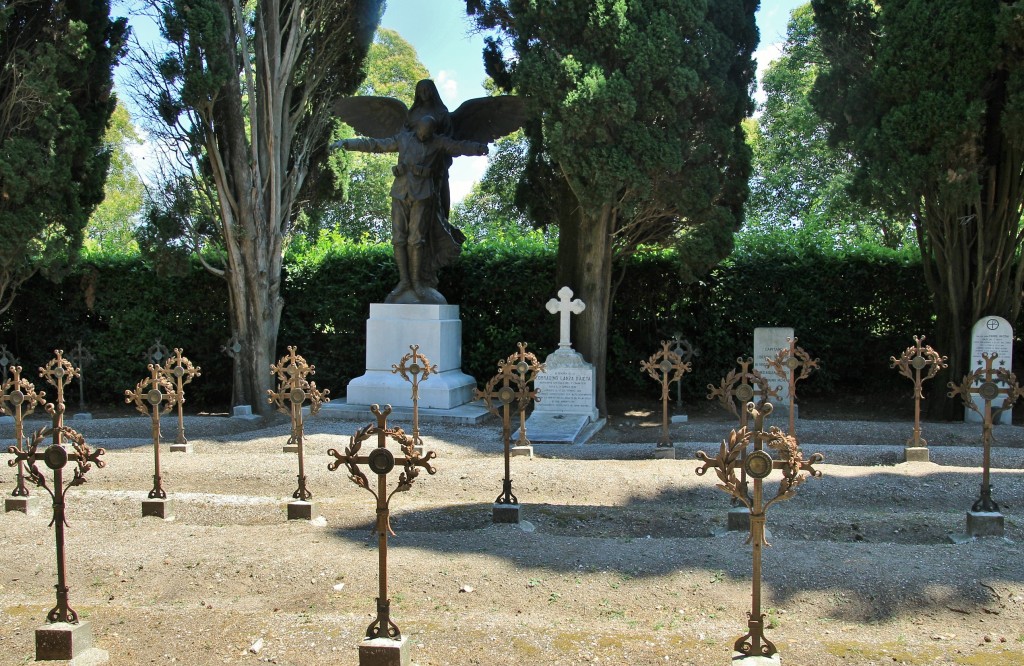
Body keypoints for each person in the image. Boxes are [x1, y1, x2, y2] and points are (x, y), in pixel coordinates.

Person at [333, 116, 488, 304]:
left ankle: (417, 283)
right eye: (421, 133)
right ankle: (404, 281)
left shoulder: (438, 141)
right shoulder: (403, 138)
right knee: (398, 238)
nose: (424, 136)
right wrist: (347, 143)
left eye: (427, 134)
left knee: (416, 239)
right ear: (417, 129)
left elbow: (458, 146)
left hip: (423, 195)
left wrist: (478, 148)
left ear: (432, 132)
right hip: (400, 193)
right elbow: (375, 144)